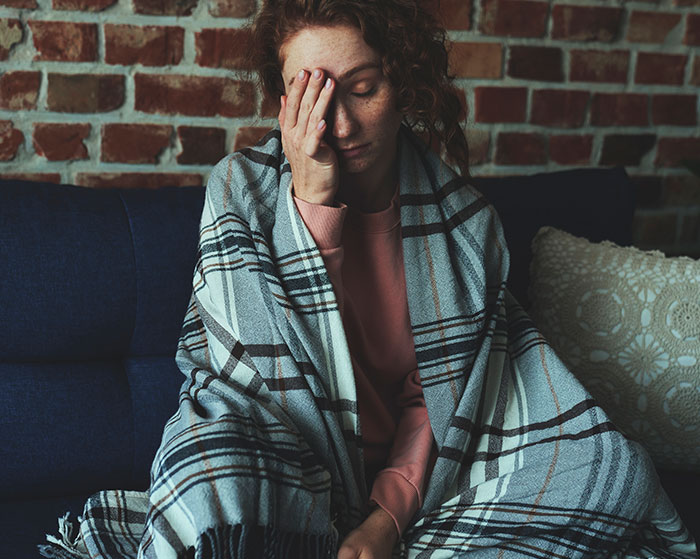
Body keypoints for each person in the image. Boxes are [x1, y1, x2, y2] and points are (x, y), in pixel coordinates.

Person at [40, 1, 697, 558]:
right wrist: (312, 204)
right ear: (281, 100)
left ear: (402, 83)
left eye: (361, 88)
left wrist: (385, 519)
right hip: (279, 449)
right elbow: (260, 375)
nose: (341, 124)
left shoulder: (468, 226)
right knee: (204, 478)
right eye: (312, 94)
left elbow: (443, 401)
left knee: (609, 467)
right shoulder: (239, 191)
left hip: (428, 477)